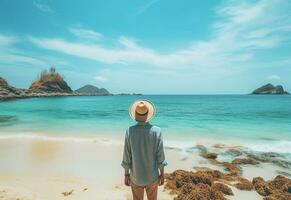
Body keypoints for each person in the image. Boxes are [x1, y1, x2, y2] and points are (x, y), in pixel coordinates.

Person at [121, 99, 167, 200]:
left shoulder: (130, 131)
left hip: (136, 177)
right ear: (148, 114)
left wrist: (126, 174)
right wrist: (162, 174)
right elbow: (160, 156)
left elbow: (126, 155)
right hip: (152, 177)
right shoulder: (157, 131)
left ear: (135, 114)